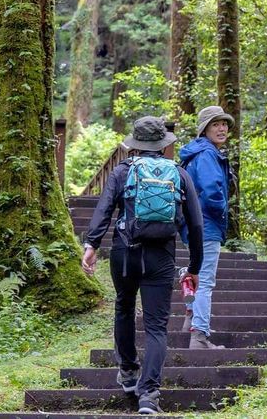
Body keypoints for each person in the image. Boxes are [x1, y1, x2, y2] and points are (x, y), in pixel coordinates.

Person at [81, 116, 204, 415]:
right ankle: (149, 395)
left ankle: (127, 372)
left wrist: (91, 245)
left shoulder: (123, 171)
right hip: (161, 256)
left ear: (134, 144)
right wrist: (195, 267)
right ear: (163, 145)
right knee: (156, 327)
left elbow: (105, 209)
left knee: (123, 307)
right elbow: (196, 224)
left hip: (125, 252)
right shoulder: (179, 174)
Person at [178, 105, 234, 350]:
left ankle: (190, 316)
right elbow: (212, 190)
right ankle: (199, 335)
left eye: (224, 124)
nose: (222, 128)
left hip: (193, 225)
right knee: (206, 281)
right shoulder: (208, 154)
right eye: (215, 124)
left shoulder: (195, 154)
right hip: (207, 225)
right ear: (205, 129)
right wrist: (221, 210)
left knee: (197, 274)